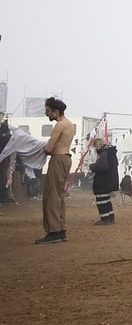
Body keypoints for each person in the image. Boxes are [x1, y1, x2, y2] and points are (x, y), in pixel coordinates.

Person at [35, 97, 75, 244]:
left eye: (48, 111)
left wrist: (40, 149)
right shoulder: (69, 124)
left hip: (58, 159)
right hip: (65, 158)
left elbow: (49, 148)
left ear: (55, 111)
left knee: (51, 195)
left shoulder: (59, 125)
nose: (47, 114)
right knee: (58, 195)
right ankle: (60, 229)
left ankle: (53, 231)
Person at [90, 137, 119, 225]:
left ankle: (104, 218)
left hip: (103, 180)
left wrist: (92, 166)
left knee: (101, 199)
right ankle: (111, 217)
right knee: (107, 199)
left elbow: (102, 167)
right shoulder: (111, 152)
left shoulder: (104, 153)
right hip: (111, 179)